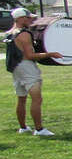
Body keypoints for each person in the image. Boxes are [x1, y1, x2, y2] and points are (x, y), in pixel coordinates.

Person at [5, 8, 61, 136]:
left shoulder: (9, 33)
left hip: (16, 68)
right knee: (36, 99)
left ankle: (23, 127)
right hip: (27, 67)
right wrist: (50, 54)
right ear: (20, 19)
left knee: (21, 98)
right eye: (28, 18)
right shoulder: (24, 34)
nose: (31, 20)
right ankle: (39, 129)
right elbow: (30, 55)